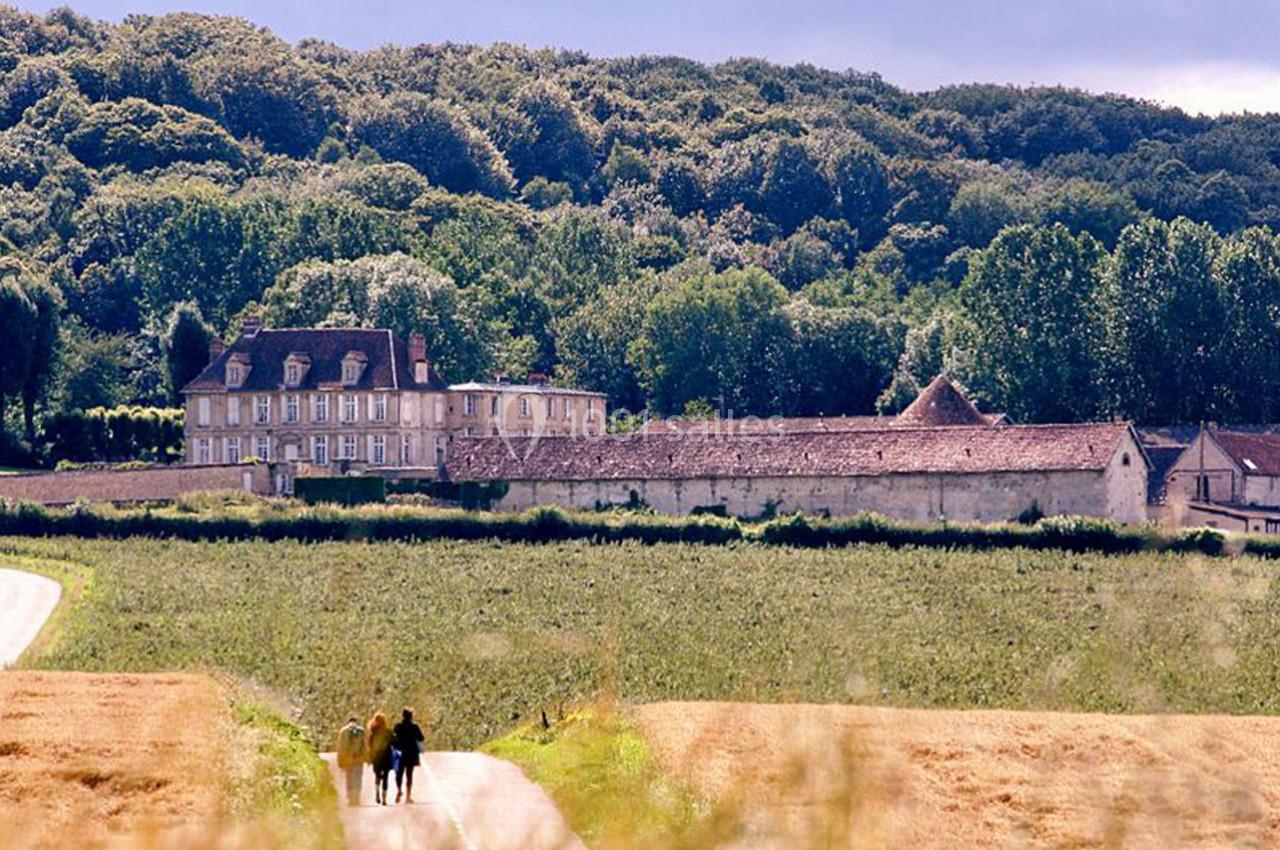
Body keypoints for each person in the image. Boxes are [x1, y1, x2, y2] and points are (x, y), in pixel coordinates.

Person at [392, 707, 425, 804]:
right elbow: (421, 738)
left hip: (400, 753)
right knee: (409, 775)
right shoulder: (414, 726)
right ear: (411, 716)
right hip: (411, 753)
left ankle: (399, 790)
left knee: (399, 774)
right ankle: (408, 796)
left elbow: (393, 738)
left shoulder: (398, 726)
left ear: (403, 716)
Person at [335, 715, 366, 806]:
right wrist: (366, 757)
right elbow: (364, 746)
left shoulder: (343, 731)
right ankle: (357, 798)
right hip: (359, 759)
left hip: (348, 758)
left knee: (349, 778)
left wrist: (340, 759)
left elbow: (341, 747)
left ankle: (350, 798)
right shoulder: (361, 731)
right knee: (358, 778)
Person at [365, 710, 394, 805]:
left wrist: (370, 758)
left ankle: (377, 792)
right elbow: (395, 742)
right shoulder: (388, 732)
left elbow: (369, 746)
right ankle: (384, 798)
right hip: (386, 757)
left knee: (377, 776)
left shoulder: (373, 733)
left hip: (376, 758)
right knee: (385, 777)